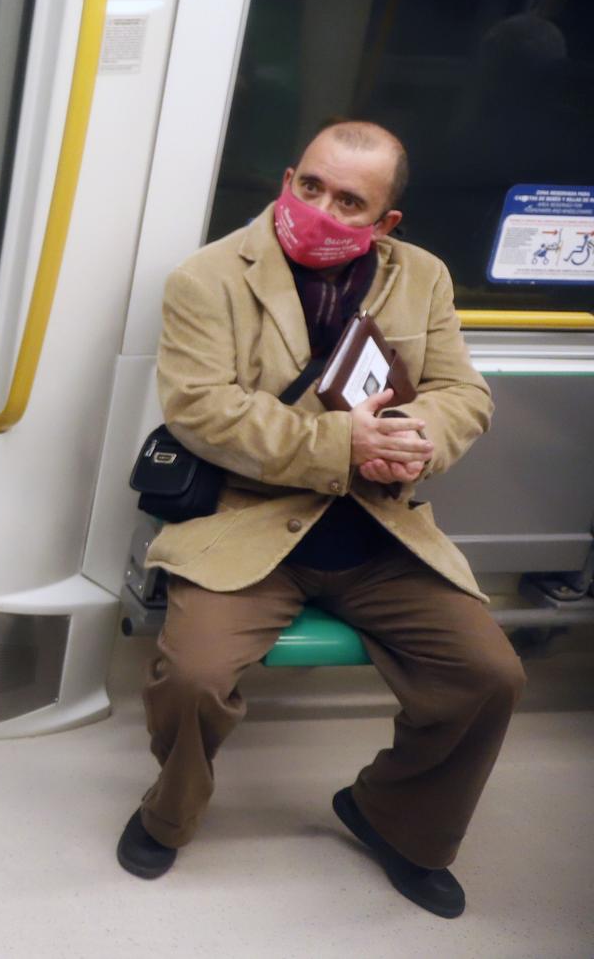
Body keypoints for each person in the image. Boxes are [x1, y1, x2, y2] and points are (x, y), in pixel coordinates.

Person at [117, 121, 525, 919]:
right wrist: (344, 441)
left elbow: (462, 392)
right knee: (193, 678)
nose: (320, 207)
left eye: (348, 199)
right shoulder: (207, 278)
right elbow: (204, 413)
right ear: (287, 176)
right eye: (309, 185)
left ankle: (396, 817)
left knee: (490, 676)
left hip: (377, 529)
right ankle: (170, 810)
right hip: (247, 522)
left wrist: (417, 437)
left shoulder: (424, 277)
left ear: (386, 223)